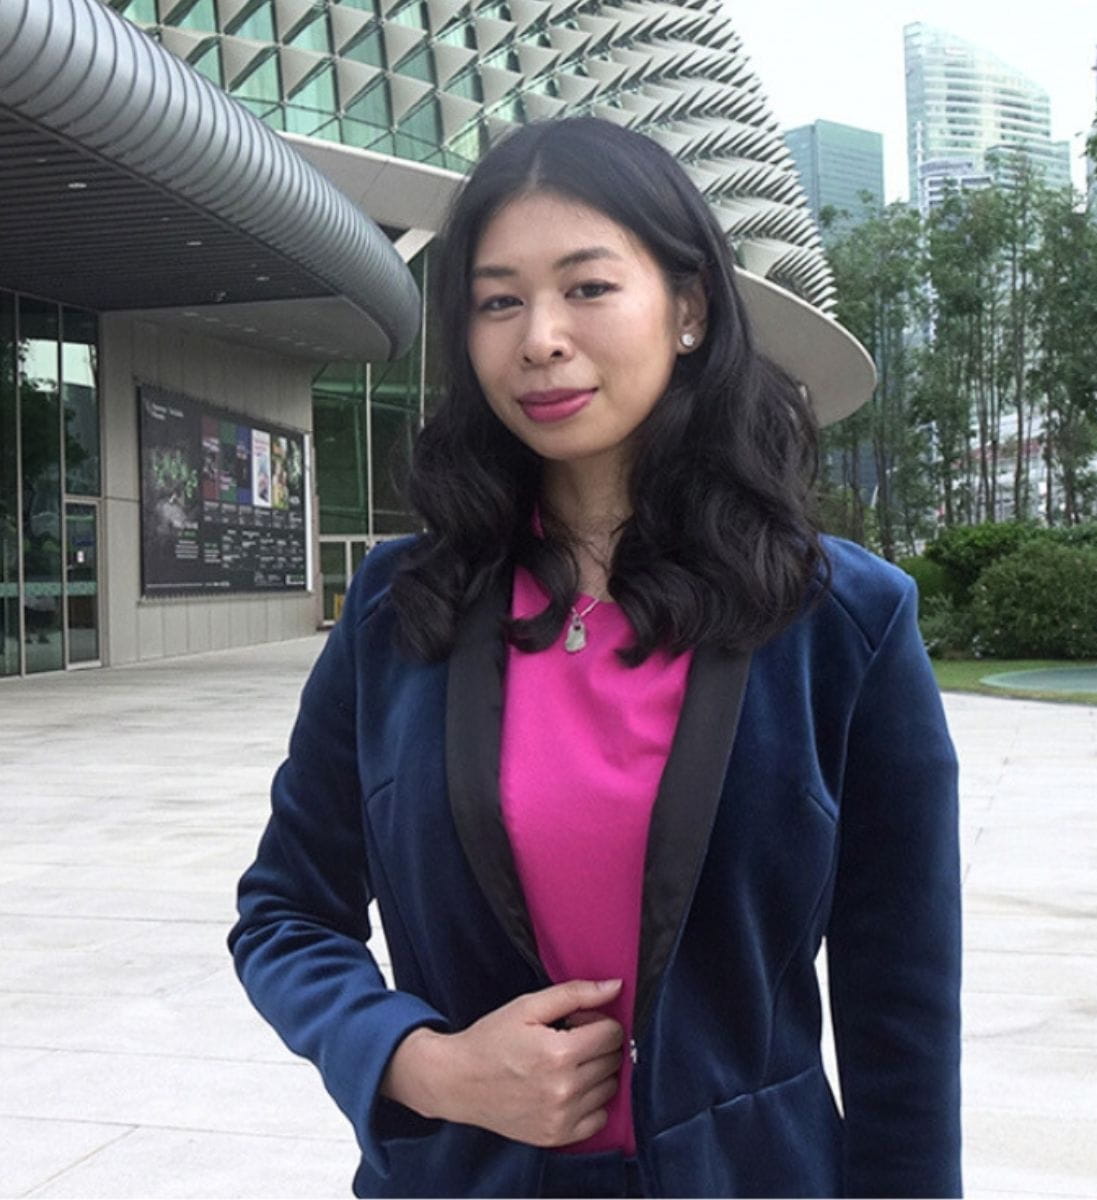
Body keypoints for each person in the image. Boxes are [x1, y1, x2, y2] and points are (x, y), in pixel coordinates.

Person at [228, 116, 961, 1199]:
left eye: (588, 288)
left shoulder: (839, 621)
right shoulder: (401, 606)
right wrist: (424, 1066)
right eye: (498, 301)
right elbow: (285, 914)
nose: (540, 338)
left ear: (690, 307)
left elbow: (901, 1007)